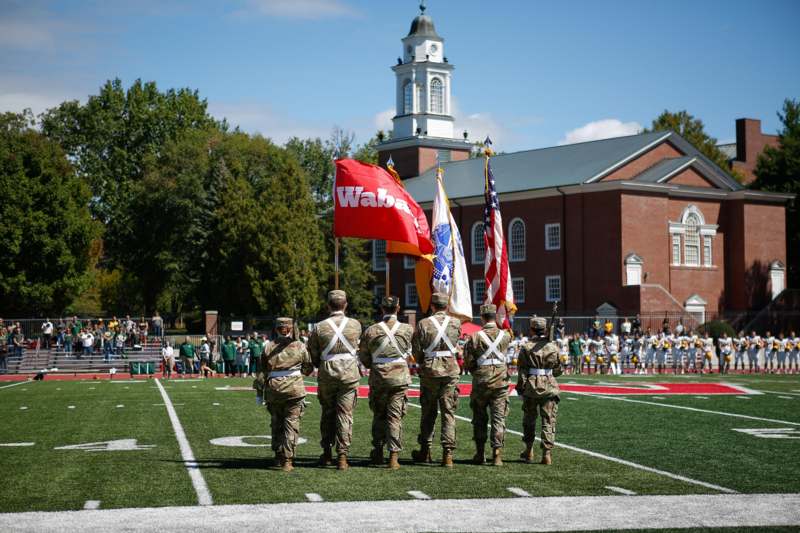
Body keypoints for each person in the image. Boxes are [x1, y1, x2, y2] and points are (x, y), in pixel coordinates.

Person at [308, 290, 363, 470]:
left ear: (328, 305)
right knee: (345, 415)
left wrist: (321, 363)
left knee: (327, 413)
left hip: (327, 373)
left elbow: (313, 355)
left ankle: (327, 453)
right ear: (345, 305)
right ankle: (342, 456)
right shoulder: (355, 325)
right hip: (349, 374)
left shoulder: (319, 327)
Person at [358, 295, 413, 470]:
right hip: (399, 378)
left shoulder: (371, 330)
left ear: (382, 309)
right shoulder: (408, 329)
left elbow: (364, 357)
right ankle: (394, 456)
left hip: (379, 377)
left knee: (379, 415)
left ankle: (378, 451)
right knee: (395, 416)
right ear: (398, 308)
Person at [254, 317, 314, 472]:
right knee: (291, 424)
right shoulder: (300, 346)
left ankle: (277, 455)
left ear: (276, 329)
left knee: (276, 423)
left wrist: (259, 392)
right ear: (290, 329)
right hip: (294, 389)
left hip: (274, 390)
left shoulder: (268, 347)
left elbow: (261, 372)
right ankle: (288, 459)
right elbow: (308, 368)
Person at [410, 291, 462, 467]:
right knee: (448, 412)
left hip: (430, 370)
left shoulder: (423, 323)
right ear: (446, 306)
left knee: (428, 412)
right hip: (450, 370)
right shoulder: (456, 323)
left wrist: (423, 361)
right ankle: (448, 454)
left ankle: (426, 450)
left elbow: (416, 350)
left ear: (432, 305)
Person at [463, 304, 511, 466]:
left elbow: (468, 361)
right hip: (501, 382)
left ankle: (480, 453)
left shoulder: (475, 337)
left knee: (479, 418)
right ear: (495, 317)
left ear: (482, 317)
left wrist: (477, 371)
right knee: (498, 418)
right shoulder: (505, 336)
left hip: (481, 382)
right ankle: (497, 454)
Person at [517, 316, 562, 465]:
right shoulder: (553, 346)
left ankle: (529, 451)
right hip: (549, 386)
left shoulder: (526, 347)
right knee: (548, 420)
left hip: (531, 387)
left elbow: (522, 370)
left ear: (532, 329)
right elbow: (557, 370)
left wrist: (520, 388)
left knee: (529, 420)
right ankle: (547, 454)